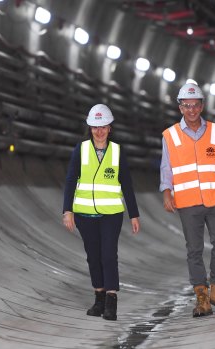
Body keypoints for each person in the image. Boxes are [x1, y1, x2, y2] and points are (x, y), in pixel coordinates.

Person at [160, 83, 215, 318]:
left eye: (195, 105)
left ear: (202, 106)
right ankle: (202, 297)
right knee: (194, 250)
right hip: (187, 202)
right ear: (180, 107)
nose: (192, 110)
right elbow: (166, 167)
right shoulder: (171, 135)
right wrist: (167, 191)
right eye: (187, 106)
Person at [62, 104, 140, 321]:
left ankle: (111, 301)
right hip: (85, 214)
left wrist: (134, 214)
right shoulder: (81, 149)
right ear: (90, 128)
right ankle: (99, 298)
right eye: (95, 127)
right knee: (93, 258)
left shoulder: (117, 151)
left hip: (111, 214)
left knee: (108, 255)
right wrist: (67, 210)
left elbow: (126, 183)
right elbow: (70, 180)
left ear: (109, 128)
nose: (99, 131)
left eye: (103, 126)